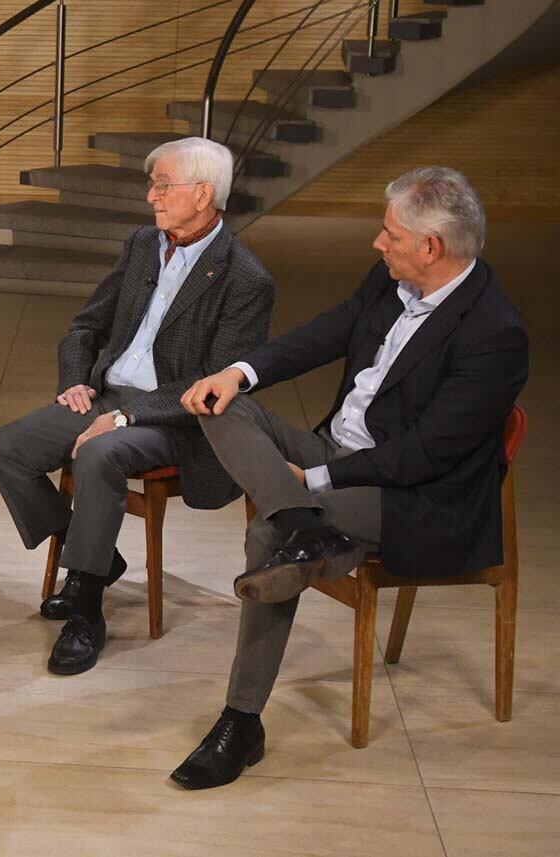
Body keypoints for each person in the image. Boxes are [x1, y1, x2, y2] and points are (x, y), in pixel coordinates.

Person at [172, 166, 528, 789]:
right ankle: (307, 529)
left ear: (431, 247)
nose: (377, 244)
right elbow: (326, 333)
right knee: (221, 404)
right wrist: (240, 371)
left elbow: (423, 456)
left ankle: (240, 721)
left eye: (389, 234)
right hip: (336, 453)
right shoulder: (390, 279)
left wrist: (311, 478)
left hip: (412, 497)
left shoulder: (494, 334)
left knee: (265, 542)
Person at [0, 137, 276, 675]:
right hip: (106, 395)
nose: (150, 196)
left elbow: (212, 387)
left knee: (99, 455)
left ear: (203, 193)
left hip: (173, 417)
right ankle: (93, 554)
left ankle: (86, 610)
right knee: (4, 448)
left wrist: (127, 416)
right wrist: (76, 382)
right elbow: (85, 325)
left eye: (163, 185)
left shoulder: (246, 279)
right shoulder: (144, 244)